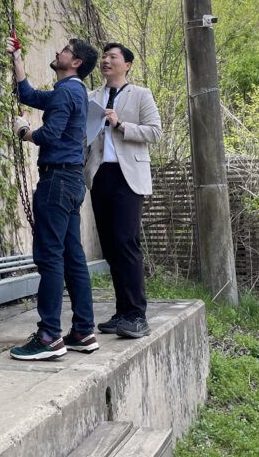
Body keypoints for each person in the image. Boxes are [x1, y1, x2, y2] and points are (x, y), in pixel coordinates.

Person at [6, 35, 100, 360]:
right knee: (73, 257)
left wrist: (24, 132)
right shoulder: (73, 91)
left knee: (50, 257)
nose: (58, 52)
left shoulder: (67, 91)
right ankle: (84, 332)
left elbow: (50, 133)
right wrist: (17, 59)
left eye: (65, 51)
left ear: (74, 62)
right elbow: (29, 95)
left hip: (56, 180)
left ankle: (48, 336)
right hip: (71, 181)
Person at [84, 43, 162, 338]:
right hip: (99, 174)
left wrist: (121, 125)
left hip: (128, 176)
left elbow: (155, 131)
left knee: (126, 241)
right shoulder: (93, 96)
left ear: (127, 64)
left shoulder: (140, 94)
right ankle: (121, 312)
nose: (105, 61)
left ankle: (137, 315)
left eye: (112, 57)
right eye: (103, 57)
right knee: (110, 246)